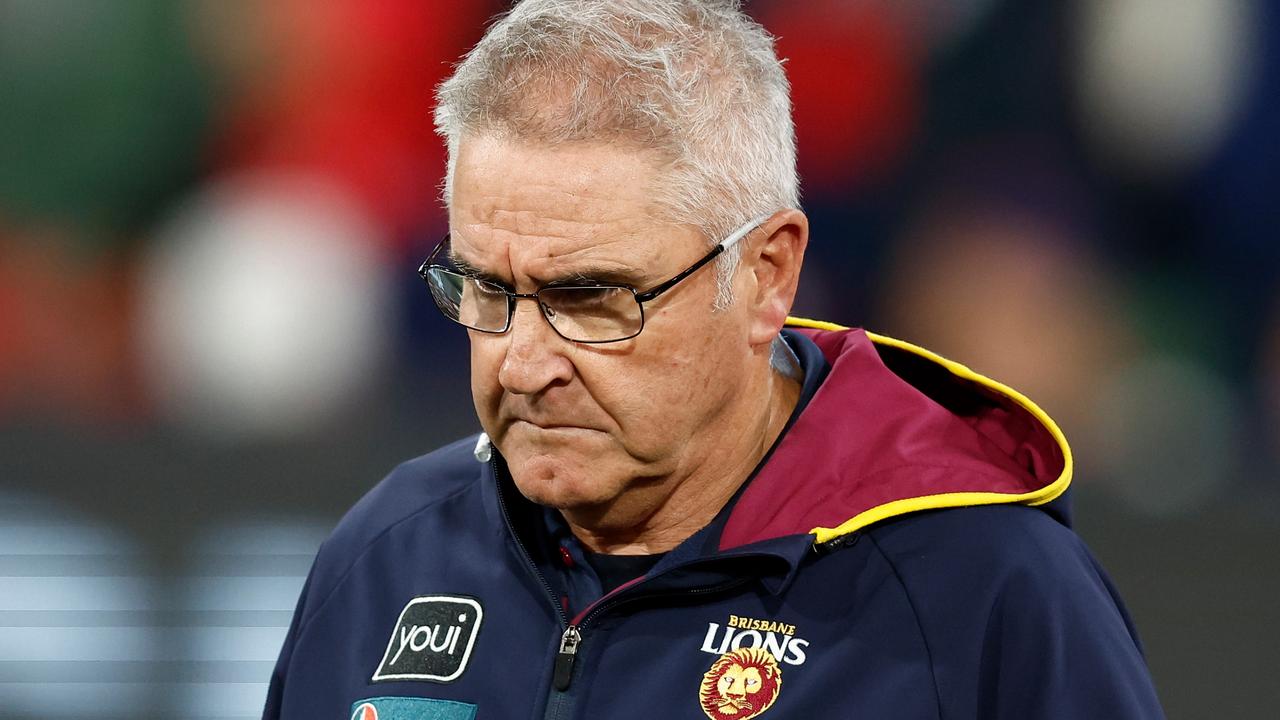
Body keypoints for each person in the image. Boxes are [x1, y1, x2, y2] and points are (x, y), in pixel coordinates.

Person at [265, 2, 1165, 718]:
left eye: (591, 300)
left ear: (767, 275)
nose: (522, 365)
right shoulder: (384, 558)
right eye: (487, 293)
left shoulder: (985, 592)